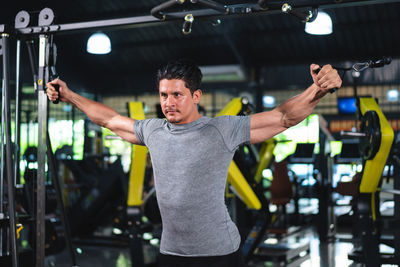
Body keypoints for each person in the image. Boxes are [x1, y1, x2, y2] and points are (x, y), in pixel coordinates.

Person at [46, 59, 342, 267]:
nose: (169, 102)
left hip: (219, 252)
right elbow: (109, 119)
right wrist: (70, 95)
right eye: (164, 95)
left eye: (177, 94)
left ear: (195, 95)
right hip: (173, 252)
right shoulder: (152, 130)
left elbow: (283, 117)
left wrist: (317, 90)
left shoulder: (221, 129)